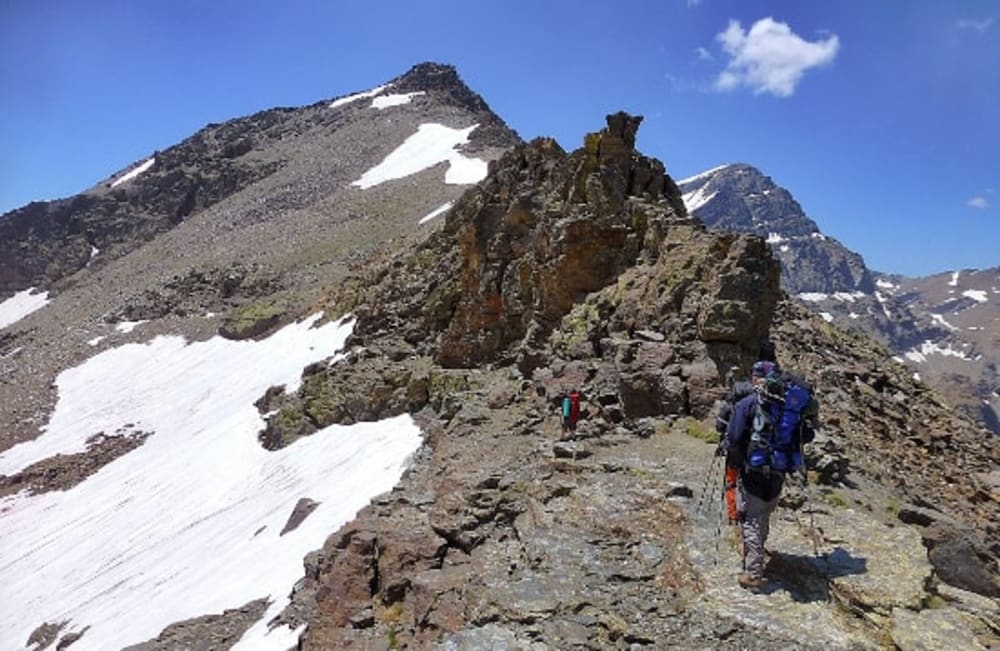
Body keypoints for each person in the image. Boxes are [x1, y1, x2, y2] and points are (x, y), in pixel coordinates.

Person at [723, 360, 813, 589]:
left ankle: (753, 572)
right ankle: (756, 553)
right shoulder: (788, 406)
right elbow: (806, 435)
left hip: (753, 469)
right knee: (763, 514)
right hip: (779, 469)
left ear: (756, 378)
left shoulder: (748, 403)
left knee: (751, 518)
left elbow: (733, 438)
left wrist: (734, 457)